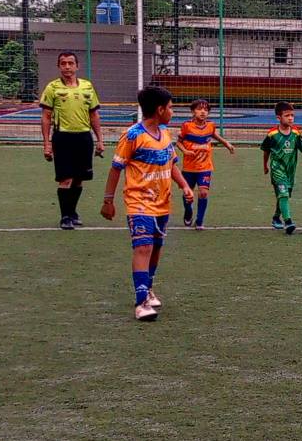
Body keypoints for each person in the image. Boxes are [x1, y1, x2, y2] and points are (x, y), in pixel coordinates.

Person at [101, 86, 194, 322]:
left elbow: (171, 164)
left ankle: (148, 288)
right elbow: (116, 168)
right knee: (143, 247)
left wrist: (184, 185)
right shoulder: (132, 136)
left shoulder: (165, 133)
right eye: (171, 107)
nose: (173, 112)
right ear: (160, 109)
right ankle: (141, 302)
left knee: (156, 248)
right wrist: (108, 200)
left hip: (163, 202)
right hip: (139, 201)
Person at [39, 51, 104, 229]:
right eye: (63, 63)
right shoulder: (52, 88)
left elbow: (94, 115)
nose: (67, 67)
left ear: (77, 66)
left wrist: (100, 140)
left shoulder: (87, 87)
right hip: (63, 138)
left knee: (79, 179)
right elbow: (46, 117)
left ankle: (73, 212)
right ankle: (65, 217)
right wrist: (47, 144)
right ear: (58, 66)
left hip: (84, 137)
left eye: (70, 63)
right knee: (65, 178)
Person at [259, 101, 302, 233]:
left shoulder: (296, 133)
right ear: (279, 118)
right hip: (277, 169)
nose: (291, 118)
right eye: (287, 115)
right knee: (283, 193)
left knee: (284, 195)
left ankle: (276, 217)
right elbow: (266, 151)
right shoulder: (272, 134)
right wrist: (265, 166)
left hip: (290, 170)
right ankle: (288, 222)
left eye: (292, 115)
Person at [177, 98, 235, 229]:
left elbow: (214, 135)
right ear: (193, 111)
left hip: (205, 166)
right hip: (189, 167)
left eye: (206, 109)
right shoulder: (186, 126)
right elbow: (179, 142)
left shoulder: (210, 126)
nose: (203, 112)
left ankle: (199, 221)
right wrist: (185, 151)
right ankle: (188, 212)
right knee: (188, 194)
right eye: (199, 109)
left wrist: (227, 144)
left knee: (203, 193)